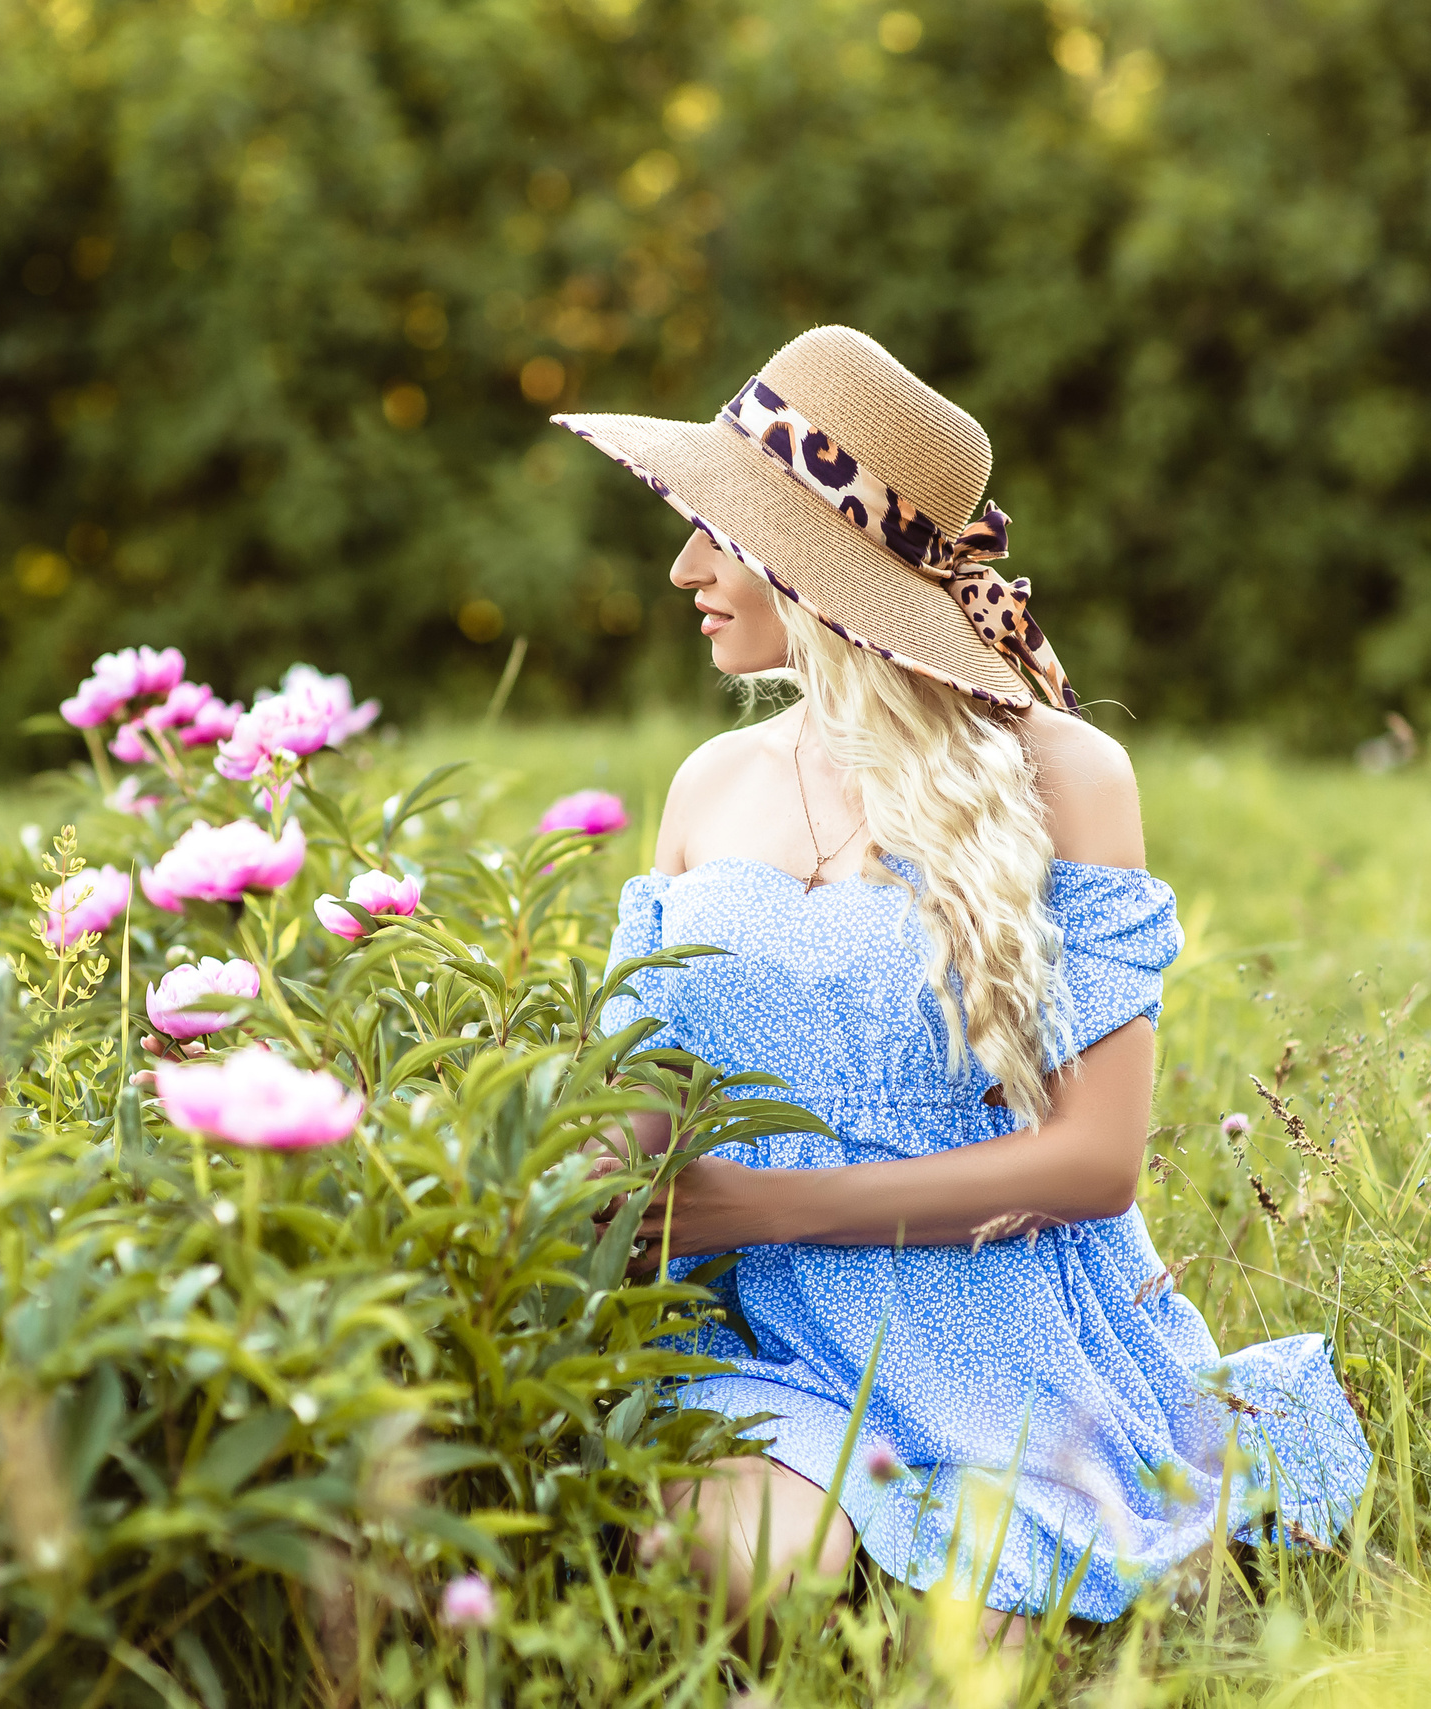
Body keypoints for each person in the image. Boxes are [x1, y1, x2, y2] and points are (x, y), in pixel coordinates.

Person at [551, 328, 1370, 1643]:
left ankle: (1035, 1573)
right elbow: (638, 1105)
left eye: (716, 528)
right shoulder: (712, 786)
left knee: (985, 1636)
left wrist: (760, 1200)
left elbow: (1096, 1162)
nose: (683, 568)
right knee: (714, 1552)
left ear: (812, 562)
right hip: (774, 1335)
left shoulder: (1066, 776)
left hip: (1005, 1336)